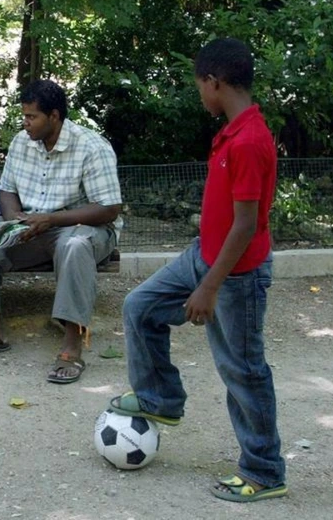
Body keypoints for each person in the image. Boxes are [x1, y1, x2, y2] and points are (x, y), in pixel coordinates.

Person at [108, 38, 286, 503]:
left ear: (214, 82)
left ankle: (264, 471)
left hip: (235, 275)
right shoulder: (232, 130)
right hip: (202, 254)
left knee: (243, 371)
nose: (199, 95)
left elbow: (246, 226)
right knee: (140, 307)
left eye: (199, 86)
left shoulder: (248, 140)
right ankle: (160, 399)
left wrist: (209, 287)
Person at [0, 79, 122, 385]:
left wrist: (51, 219)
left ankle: (72, 347)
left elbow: (109, 209)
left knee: (74, 247)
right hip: (34, 226)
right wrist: (14, 223)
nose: (26, 123)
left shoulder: (92, 147)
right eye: (24, 116)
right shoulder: (22, 142)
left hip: (84, 229)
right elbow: (7, 191)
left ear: (55, 116)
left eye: (32, 117)